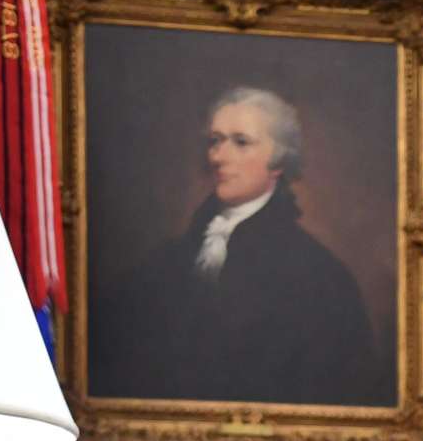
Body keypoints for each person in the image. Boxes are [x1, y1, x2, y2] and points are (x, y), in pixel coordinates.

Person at [90, 86, 390, 408]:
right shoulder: (172, 258)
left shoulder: (320, 276)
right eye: (216, 140)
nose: (218, 156)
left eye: (241, 142)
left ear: (279, 161)